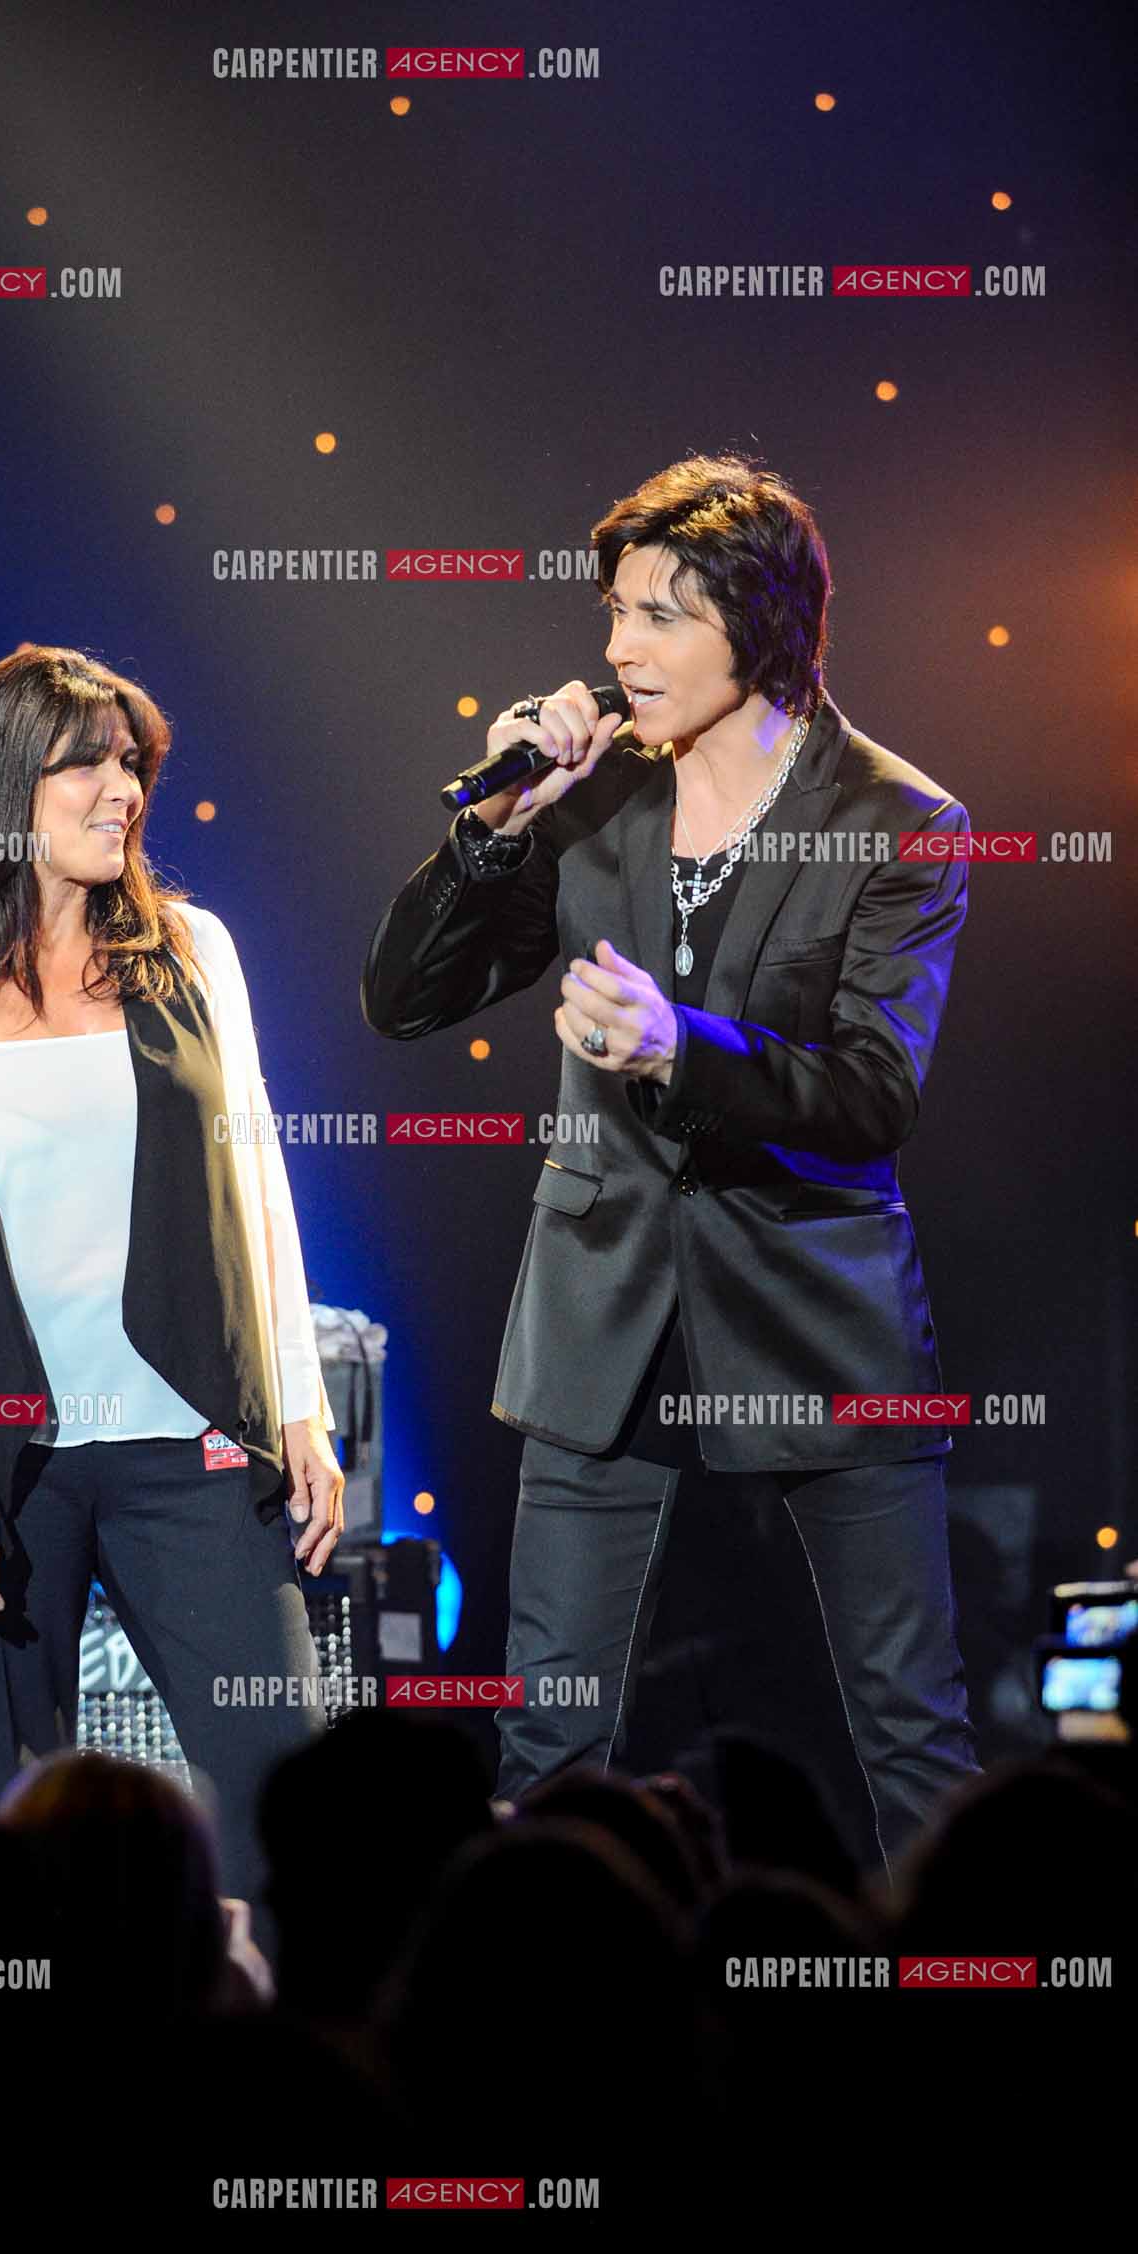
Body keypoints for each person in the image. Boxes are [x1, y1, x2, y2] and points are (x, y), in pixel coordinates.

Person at [361, 453, 981, 1880]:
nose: (617, 649)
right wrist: (490, 831)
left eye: (656, 616)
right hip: (603, 1302)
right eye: (614, 614)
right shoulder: (589, 798)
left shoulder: (900, 822)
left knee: (908, 1730)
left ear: (756, 629)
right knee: (548, 1737)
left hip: (817, 1307)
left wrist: (677, 1048)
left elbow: (873, 1093)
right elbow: (402, 1001)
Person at [0, 645, 343, 1920]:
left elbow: (258, 1187)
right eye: (91, 763)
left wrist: (297, 1398)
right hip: (0, 1463)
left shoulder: (195, 954)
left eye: (134, 763)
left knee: (290, 1805)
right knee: (6, 1846)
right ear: (3, 784)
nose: (124, 787)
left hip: (193, 1439)